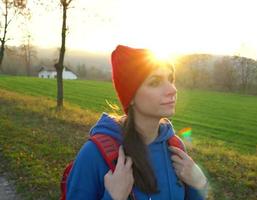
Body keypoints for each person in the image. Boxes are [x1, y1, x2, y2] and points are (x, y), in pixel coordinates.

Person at [66, 45, 208, 200]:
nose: (172, 89)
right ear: (131, 97)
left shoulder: (175, 148)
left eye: (171, 79)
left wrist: (198, 186)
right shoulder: (95, 154)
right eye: (155, 82)